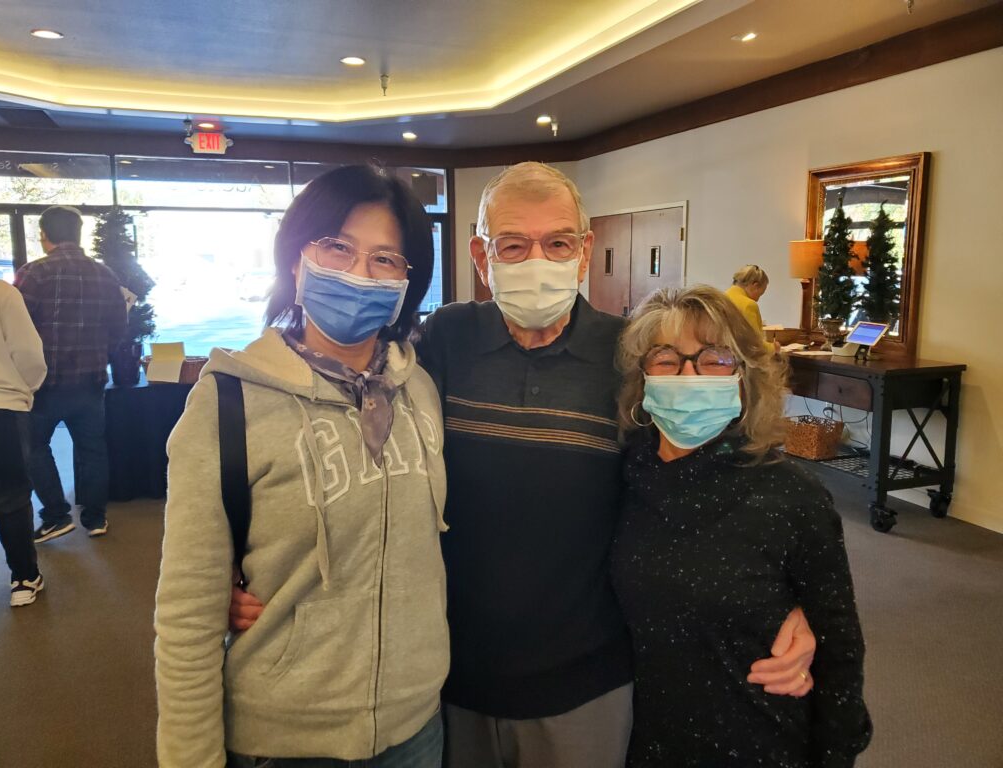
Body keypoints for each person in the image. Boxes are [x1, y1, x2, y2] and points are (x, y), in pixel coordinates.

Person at [231, 162, 817, 767]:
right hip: (446, 674)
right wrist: (239, 562)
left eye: (558, 243)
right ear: (481, 256)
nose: (538, 260)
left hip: (584, 681)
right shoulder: (444, 341)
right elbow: (348, 449)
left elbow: (708, 469)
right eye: (513, 245)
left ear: (584, 251)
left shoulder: (629, 352)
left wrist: (793, 592)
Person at [155, 165, 449, 768]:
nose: (358, 273)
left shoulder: (417, 389)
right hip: (286, 738)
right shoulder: (229, 402)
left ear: (406, 283)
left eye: (385, 259)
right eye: (337, 247)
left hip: (415, 725)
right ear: (295, 261)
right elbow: (187, 613)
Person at [611, 285, 872, 767]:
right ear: (641, 378)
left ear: (744, 377)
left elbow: (839, 649)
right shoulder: (619, 478)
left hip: (758, 741)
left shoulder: (792, 496)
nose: (689, 375)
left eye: (714, 359)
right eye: (666, 359)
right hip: (642, 740)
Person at [14, 206, 128, 542]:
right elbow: (119, 326)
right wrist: (101, 354)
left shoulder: (33, 273)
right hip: (91, 381)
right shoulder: (105, 275)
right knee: (92, 449)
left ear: (43, 235)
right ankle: (95, 518)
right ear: (78, 234)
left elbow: (17, 328)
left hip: (44, 382)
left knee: (33, 447)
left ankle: (56, 515)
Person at [0, 240, 48, 606]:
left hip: (0, 405)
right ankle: (23, 578)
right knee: (10, 498)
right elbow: (28, 353)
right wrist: (25, 390)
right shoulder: (0, 293)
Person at [726, 264, 778, 352]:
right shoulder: (748, 305)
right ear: (755, 285)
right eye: (760, 294)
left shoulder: (721, 297)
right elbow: (754, 344)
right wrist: (774, 347)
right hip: (741, 357)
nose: (757, 299)